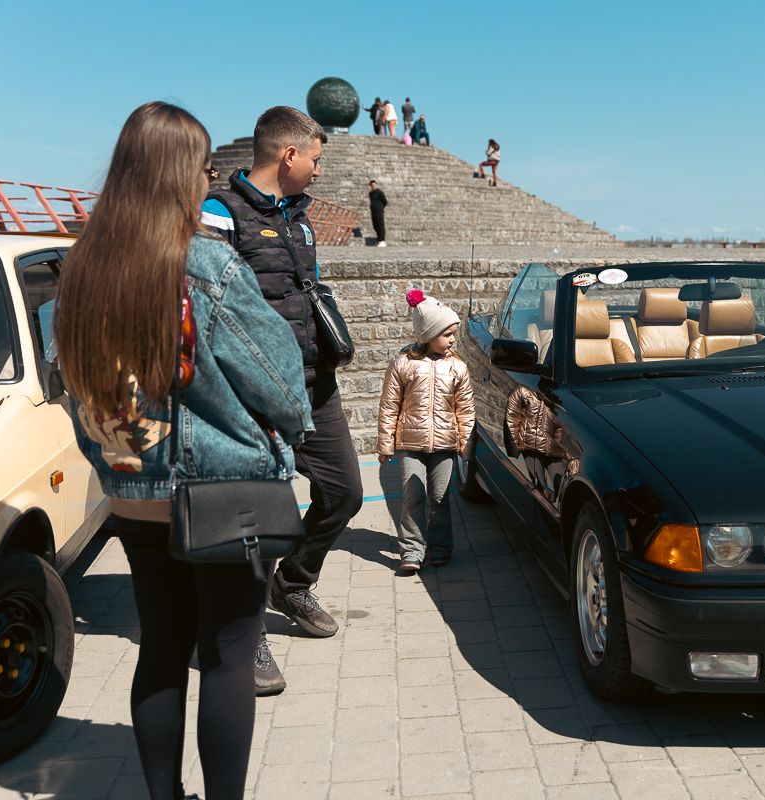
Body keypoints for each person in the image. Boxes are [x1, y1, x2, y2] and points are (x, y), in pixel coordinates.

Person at [56, 101, 314, 800]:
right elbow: (282, 383)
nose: (209, 180)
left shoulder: (79, 268)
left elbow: (73, 385)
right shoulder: (203, 263)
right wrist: (286, 432)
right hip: (222, 496)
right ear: (178, 175)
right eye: (203, 167)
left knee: (161, 651)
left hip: (132, 493)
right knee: (229, 658)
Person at [201, 106, 364, 696]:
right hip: (251, 398)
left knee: (345, 492)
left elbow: (308, 286)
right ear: (288, 156)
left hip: (313, 386)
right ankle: (243, 634)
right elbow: (208, 300)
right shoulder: (219, 213)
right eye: (316, 160)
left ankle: (293, 582)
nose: (320, 172)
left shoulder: (302, 218)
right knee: (258, 519)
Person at [377, 290, 475, 572]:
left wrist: (466, 446)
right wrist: (385, 444)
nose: (453, 340)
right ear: (428, 334)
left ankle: (440, 547)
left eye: (454, 334)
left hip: (444, 445)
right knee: (412, 496)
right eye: (447, 334)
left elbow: (466, 410)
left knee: (440, 498)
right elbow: (389, 406)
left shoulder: (457, 367)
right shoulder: (403, 364)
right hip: (410, 444)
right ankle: (411, 550)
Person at [368, 179, 388, 246]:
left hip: (379, 211)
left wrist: (381, 208)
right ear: (370, 186)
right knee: (375, 226)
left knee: (380, 225)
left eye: (374, 185)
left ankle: (382, 240)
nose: (373, 186)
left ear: (376, 185)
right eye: (372, 185)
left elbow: (385, 201)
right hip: (373, 211)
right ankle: (379, 239)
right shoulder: (370, 193)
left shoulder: (380, 192)